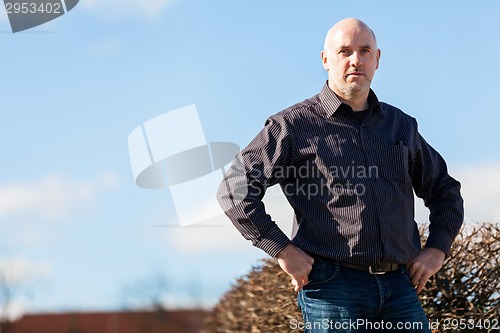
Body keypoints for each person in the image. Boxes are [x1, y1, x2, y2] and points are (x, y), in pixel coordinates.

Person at [217, 18, 464, 333]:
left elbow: (445, 191)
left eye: (364, 51)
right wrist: (281, 249)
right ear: (325, 59)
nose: (355, 60)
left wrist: (437, 249)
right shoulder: (292, 126)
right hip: (332, 289)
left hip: (401, 287)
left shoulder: (400, 126)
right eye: (344, 51)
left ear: (377, 59)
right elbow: (235, 189)